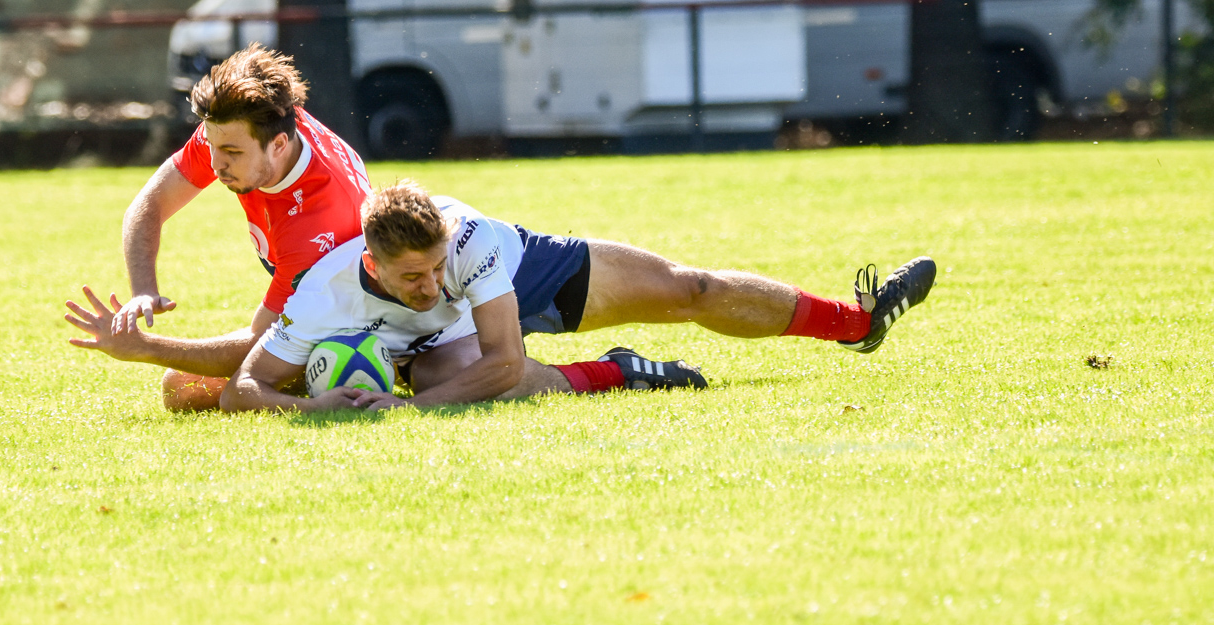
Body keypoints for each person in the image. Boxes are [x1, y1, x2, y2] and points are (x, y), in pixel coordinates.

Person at [222, 182, 935, 413]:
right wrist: (308, 406)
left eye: (436, 266)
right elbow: (244, 387)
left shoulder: (467, 244)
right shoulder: (325, 290)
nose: (430, 283)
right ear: (370, 262)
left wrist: (402, 414)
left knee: (691, 289)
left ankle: (855, 321)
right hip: (436, 347)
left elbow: (504, 357)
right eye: (413, 277)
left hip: (526, 272)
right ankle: (620, 371)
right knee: (459, 380)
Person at [64, 45, 372, 411]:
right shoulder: (246, 126)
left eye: (232, 153)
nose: (216, 163)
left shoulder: (318, 222)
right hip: (328, 297)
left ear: (278, 145)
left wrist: (145, 347)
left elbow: (260, 342)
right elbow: (148, 205)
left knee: (184, 390)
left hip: (362, 322)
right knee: (185, 389)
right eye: (211, 145)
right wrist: (144, 290)